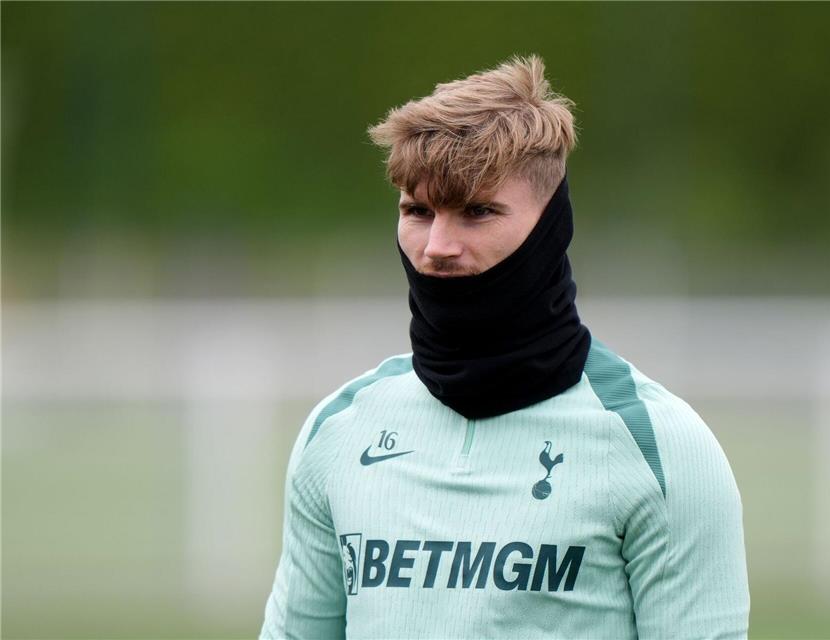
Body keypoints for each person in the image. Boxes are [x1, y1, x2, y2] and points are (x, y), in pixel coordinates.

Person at [261, 55, 749, 640]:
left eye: (477, 212)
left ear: (550, 227)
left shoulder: (660, 448)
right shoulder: (338, 431)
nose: (436, 245)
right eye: (418, 211)